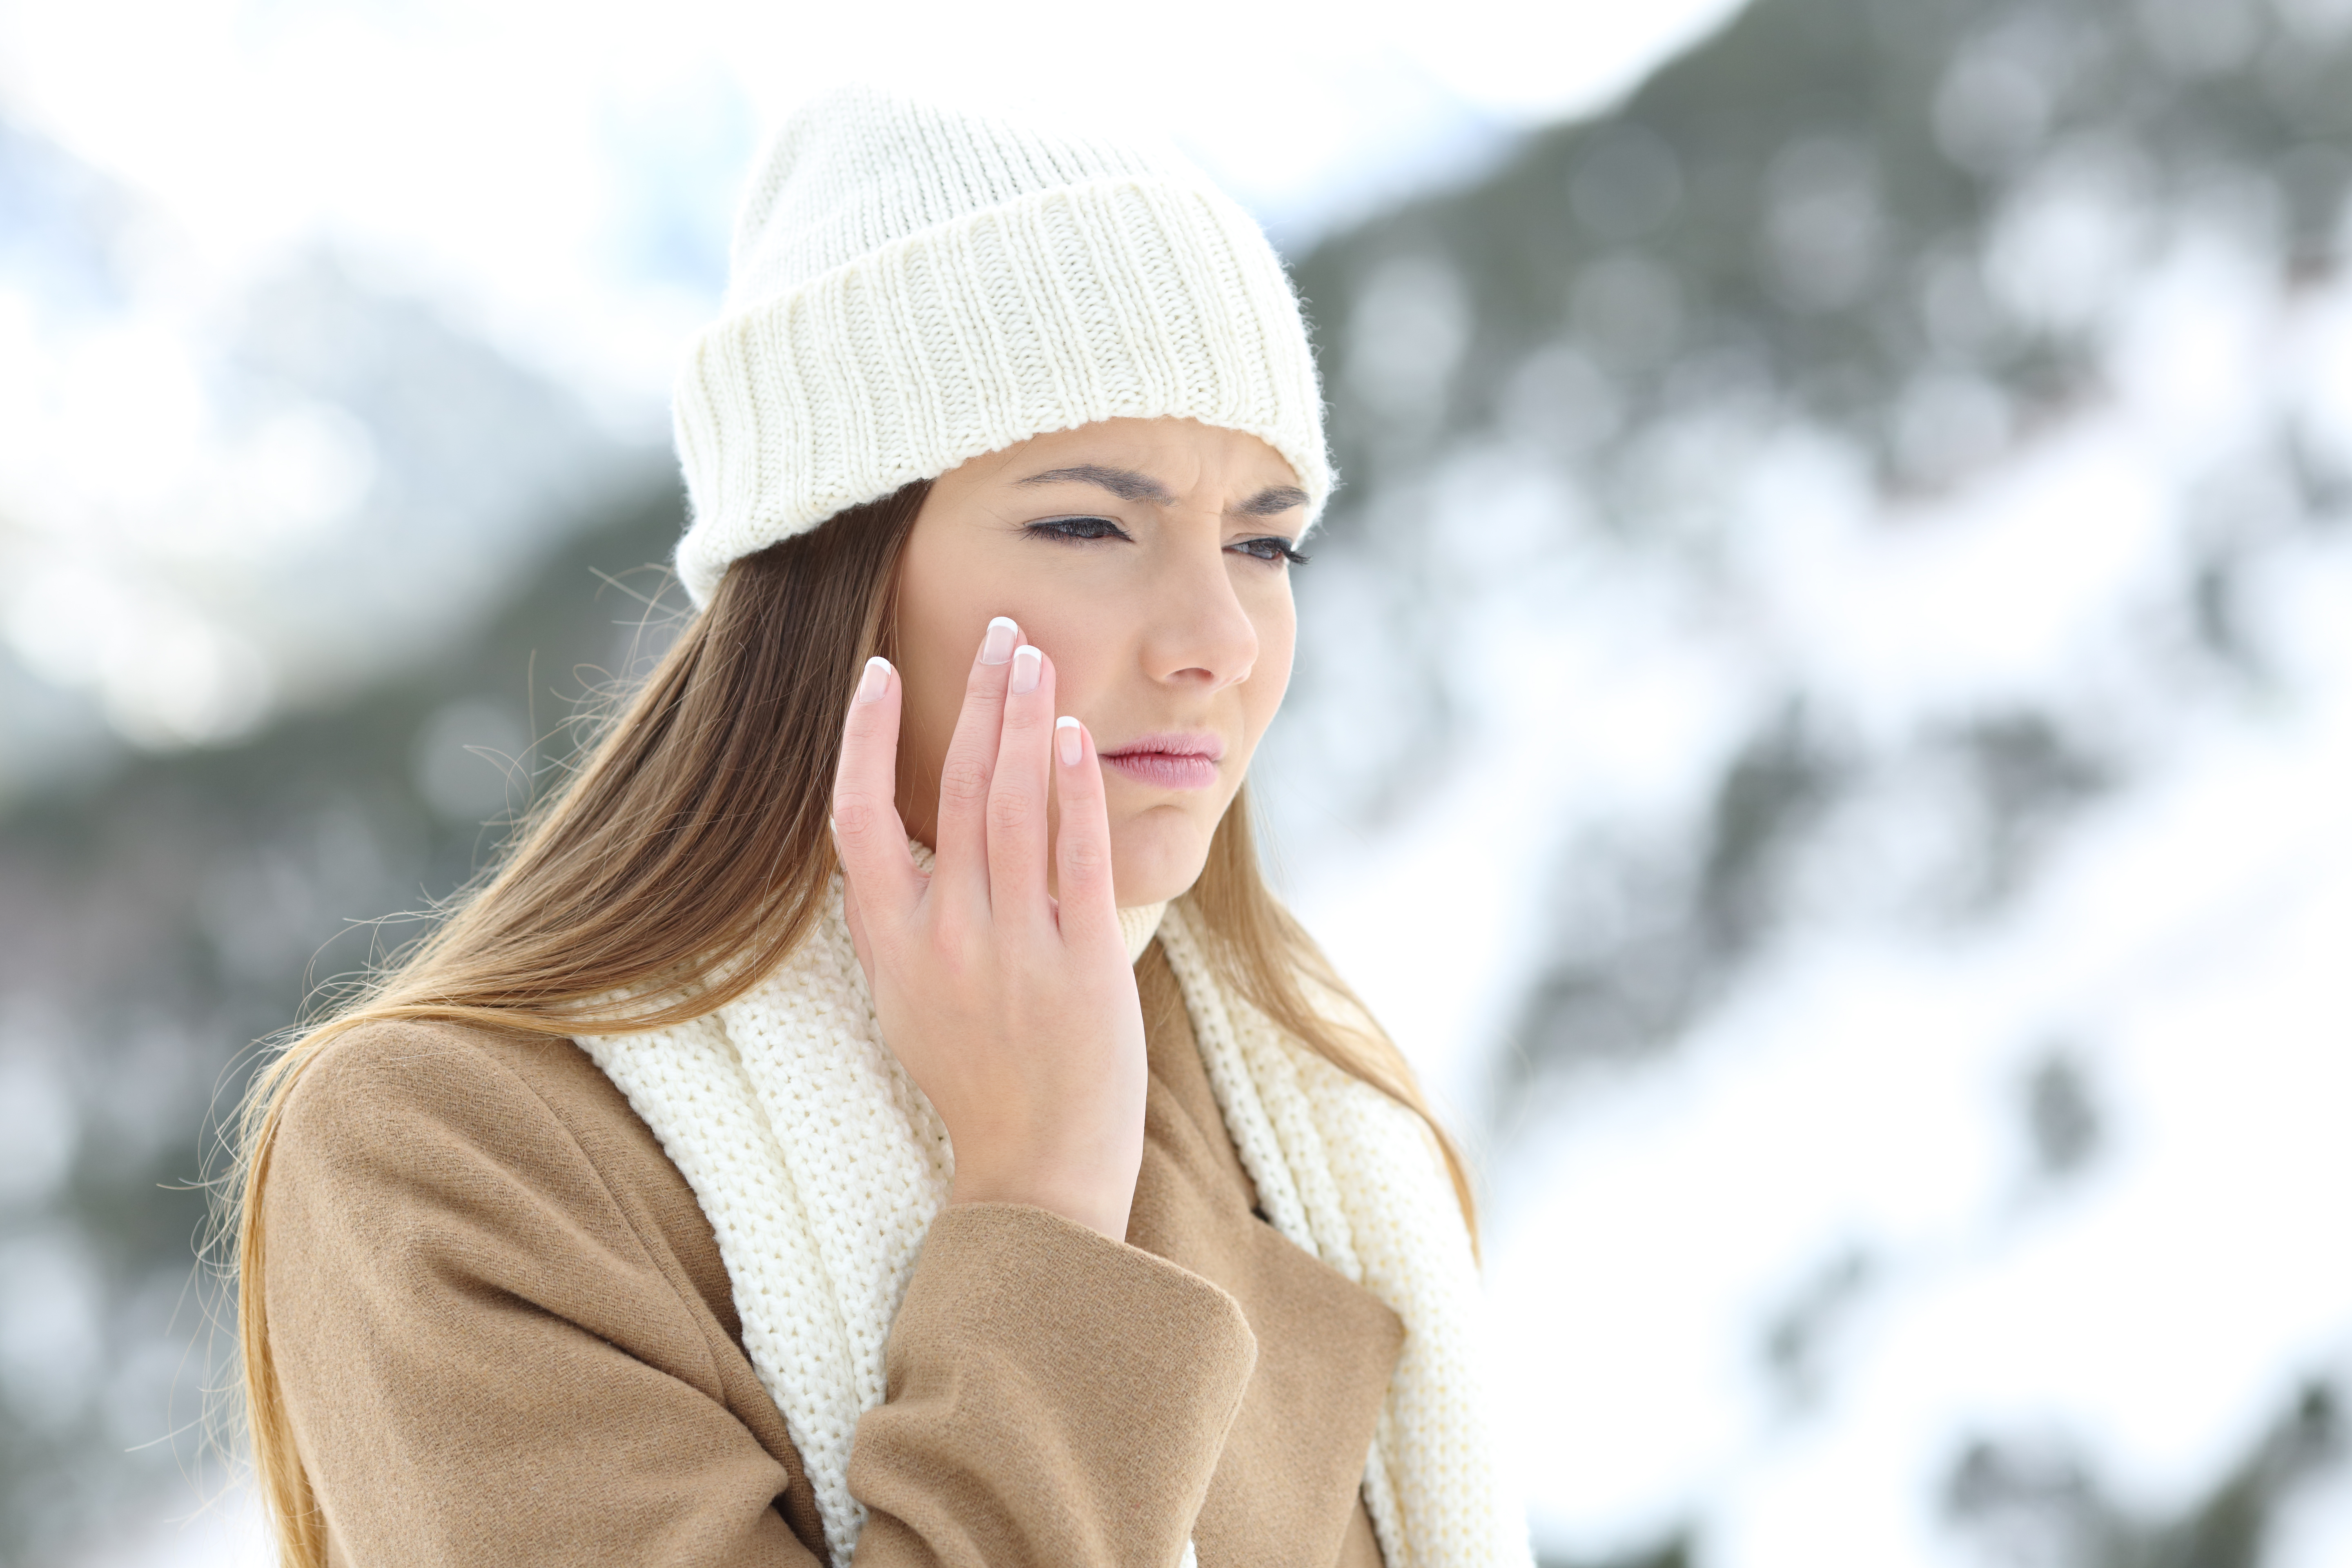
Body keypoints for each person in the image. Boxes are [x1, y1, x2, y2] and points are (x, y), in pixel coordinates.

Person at [228, 86, 1528, 1568]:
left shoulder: (1292, 1103)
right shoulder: (457, 1154)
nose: (1219, 637)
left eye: (1265, 541)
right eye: (1091, 526)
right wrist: (1039, 1201)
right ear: (834, 572)